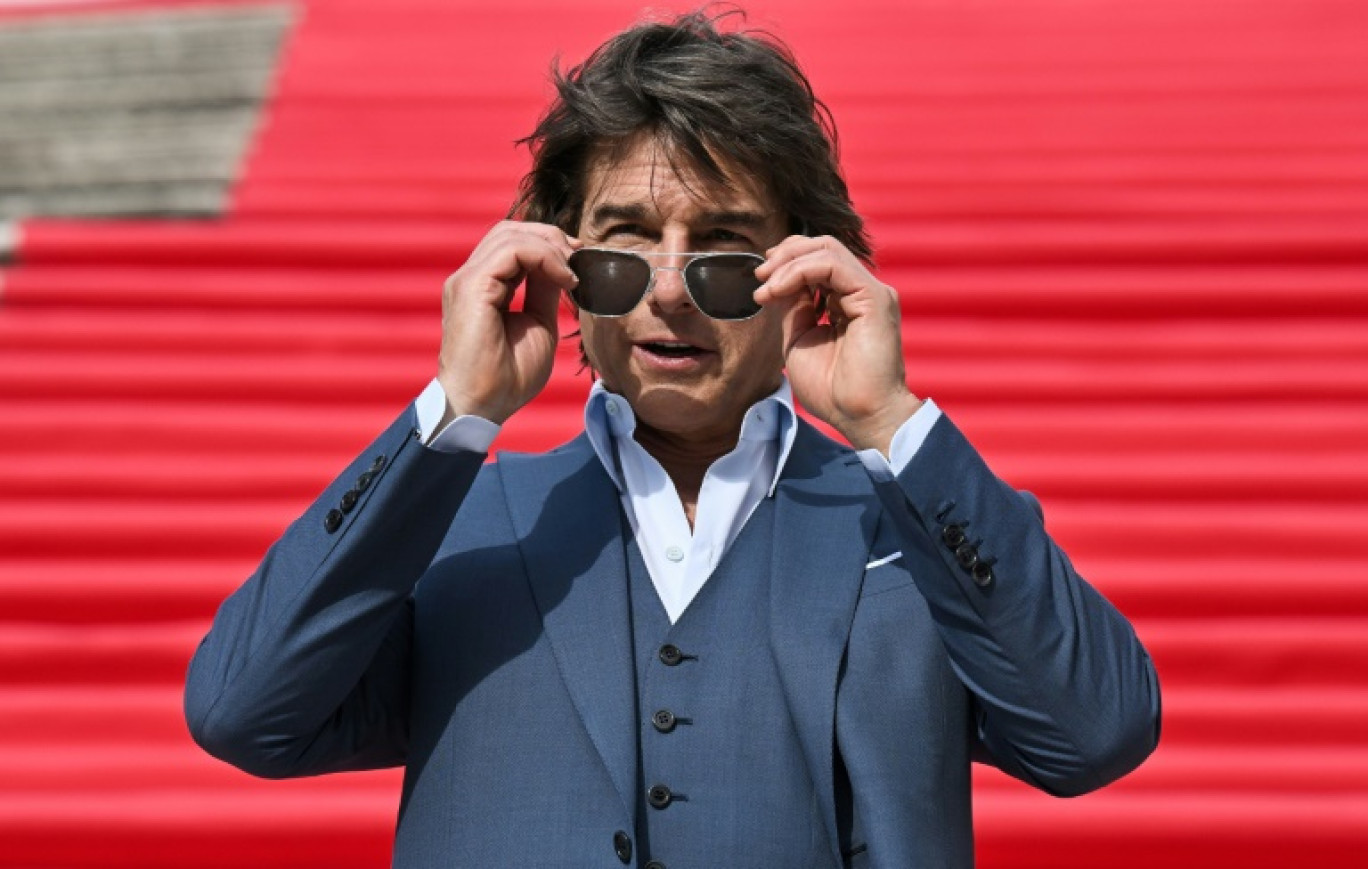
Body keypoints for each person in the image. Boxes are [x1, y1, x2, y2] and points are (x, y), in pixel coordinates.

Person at [185, 10, 1160, 867]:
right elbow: (245, 712)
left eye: (726, 250)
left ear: (805, 268)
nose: (666, 288)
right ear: (561, 265)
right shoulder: (457, 522)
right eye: (626, 241)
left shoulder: (916, 525)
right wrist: (455, 412)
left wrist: (891, 423)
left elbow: (1095, 732)